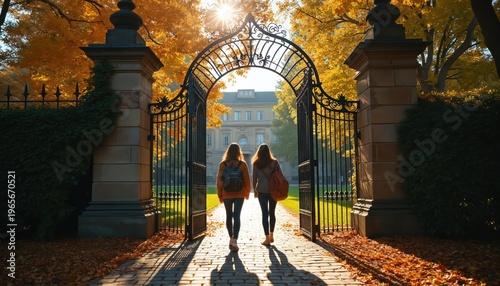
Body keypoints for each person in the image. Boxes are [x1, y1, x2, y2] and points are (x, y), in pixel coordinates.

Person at [216, 142, 251, 252]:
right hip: (239, 194)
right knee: (237, 216)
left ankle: (230, 239)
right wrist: (246, 193)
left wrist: (220, 194)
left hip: (227, 194)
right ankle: (235, 240)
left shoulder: (223, 164)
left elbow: (219, 181)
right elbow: (247, 180)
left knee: (228, 216)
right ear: (238, 152)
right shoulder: (242, 164)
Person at [251, 143, 280, 246]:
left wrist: (255, 191)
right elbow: (279, 176)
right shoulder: (275, 162)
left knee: (264, 214)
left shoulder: (256, 163)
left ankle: (267, 238)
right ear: (268, 152)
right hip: (273, 190)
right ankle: (272, 234)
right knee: (272, 213)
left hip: (262, 190)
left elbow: (254, 179)